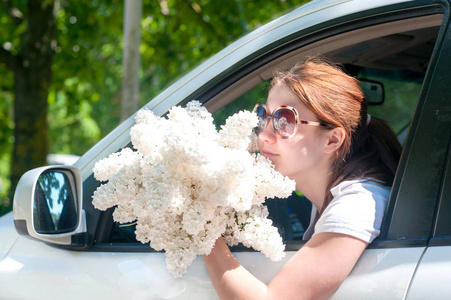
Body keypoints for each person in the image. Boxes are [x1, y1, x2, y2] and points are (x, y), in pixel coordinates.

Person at [203, 56, 402, 299]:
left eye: (285, 120)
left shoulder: (358, 204)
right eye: (265, 115)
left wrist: (204, 229)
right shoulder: (333, 196)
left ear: (333, 140)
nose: (264, 135)